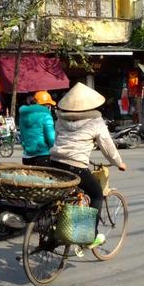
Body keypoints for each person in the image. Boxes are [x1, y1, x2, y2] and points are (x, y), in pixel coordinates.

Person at [50, 83, 127, 249]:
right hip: (76, 166)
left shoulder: (60, 118)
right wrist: (118, 162)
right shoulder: (96, 122)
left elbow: (56, 139)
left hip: (54, 162)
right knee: (97, 194)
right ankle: (90, 236)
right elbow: (107, 147)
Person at [19, 90, 56, 167]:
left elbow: (22, 136)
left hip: (26, 157)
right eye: (49, 105)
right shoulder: (46, 116)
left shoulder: (23, 115)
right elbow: (51, 139)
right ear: (46, 105)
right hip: (43, 156)